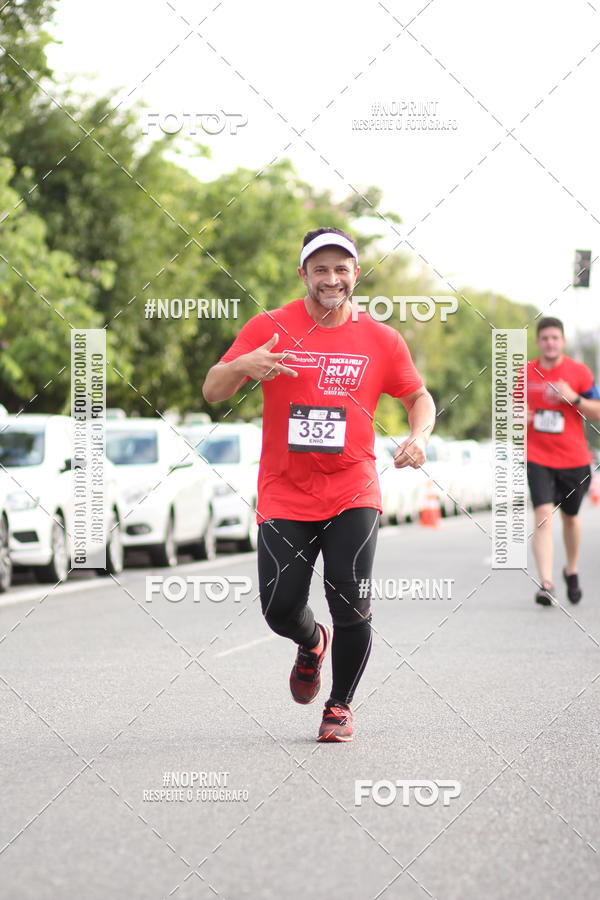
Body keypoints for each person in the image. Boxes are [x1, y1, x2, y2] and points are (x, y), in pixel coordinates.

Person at [202, 227, 435, 741]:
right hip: (285, 489)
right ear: (302, 273)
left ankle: (340, 706)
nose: (332, 278)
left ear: (355, 273)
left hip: (353, 487)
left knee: (350, 595)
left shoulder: (381, 338)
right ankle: (312, 644)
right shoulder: (270, 326)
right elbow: (213, 389)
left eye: (341, 268)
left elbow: (419, 397)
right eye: (321, 269)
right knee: (280, 607)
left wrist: (419, 437)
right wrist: (243, 364)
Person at [526, 316, 600, 606]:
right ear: (538, 342)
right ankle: (546, 583)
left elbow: (597, 411)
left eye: (555, 338)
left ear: (563, 341)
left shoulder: (578, 372)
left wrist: (575, 399)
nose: (550, 342)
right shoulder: (524, 374)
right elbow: (507, 414)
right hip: (538, 457)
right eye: (545, 338)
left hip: (574, 458)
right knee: (543, 516)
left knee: (571, 518)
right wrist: (518, 418)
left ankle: (571, 569)